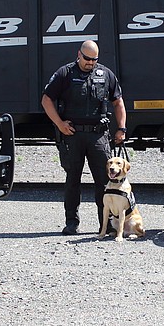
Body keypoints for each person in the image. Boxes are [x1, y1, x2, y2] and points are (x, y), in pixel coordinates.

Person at [41, 40, 127, 235]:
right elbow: (46, 100)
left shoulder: (105, 74)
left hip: (98, 136)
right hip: (73, 135)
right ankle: (72, 222)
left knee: (104, 181)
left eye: (94, 59)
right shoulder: (65, 73)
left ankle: (105, 225)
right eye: (87, 58)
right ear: (78, 54)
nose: (90, 63)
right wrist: (59, 124)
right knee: (73, 179)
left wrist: (121, 128)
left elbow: (118, 102)